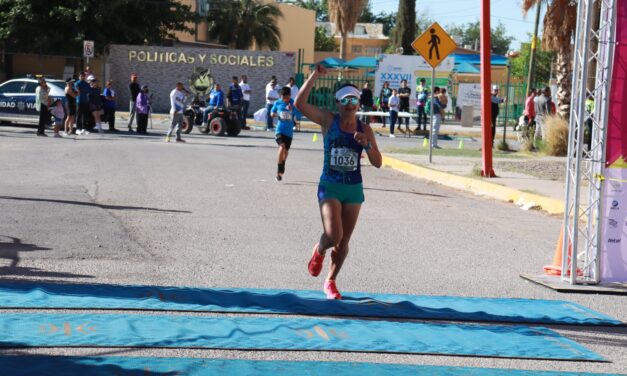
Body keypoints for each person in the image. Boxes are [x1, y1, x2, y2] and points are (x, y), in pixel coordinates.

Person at [295, 64, 382, 300]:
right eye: (344, 99)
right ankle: (320, 249)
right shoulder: (328, 120)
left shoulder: (366, 128)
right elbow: (299, 105)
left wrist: (367, 144)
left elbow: (377, 162)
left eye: (353, 99)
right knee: (333, 235)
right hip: (330, 185)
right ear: (337, 103)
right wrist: (314, 75)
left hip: (353, 189)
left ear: (358, 103)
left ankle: (331, 281)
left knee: (344, 241)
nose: (350, 103)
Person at [271, 87, 295, 181]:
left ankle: (283, 163)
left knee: (286, 151)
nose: (284, 99)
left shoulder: (293, 102)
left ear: (289, 96)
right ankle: (279, 169)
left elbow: (299, 114)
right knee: (282, 146)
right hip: (279, 130)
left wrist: (292, 109)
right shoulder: (277, 102)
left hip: (289, 132)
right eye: (282, 97)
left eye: (286, 97)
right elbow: (272, 112)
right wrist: (275, 114)